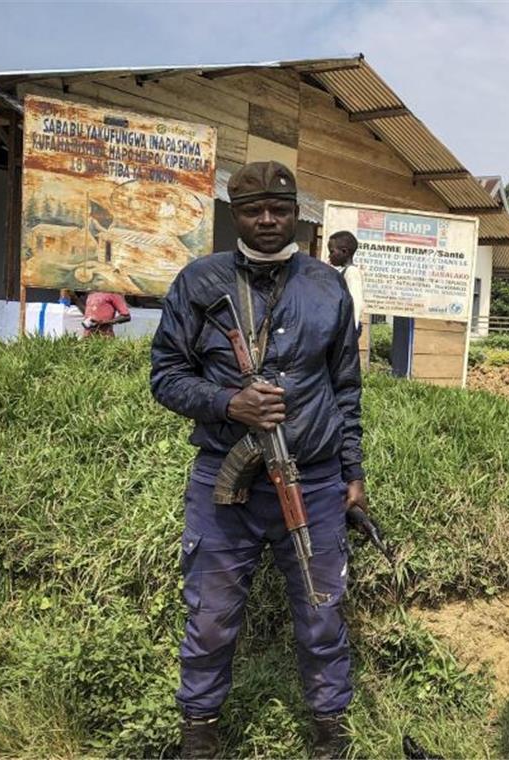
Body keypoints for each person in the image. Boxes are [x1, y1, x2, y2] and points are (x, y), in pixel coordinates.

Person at [150, 161, 367, 759]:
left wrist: (354, 474)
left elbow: (345, 388)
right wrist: (228, 403)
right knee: (212, 615)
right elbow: (165, 377)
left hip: (316, 481)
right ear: (234, 215)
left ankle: (330, 730)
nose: (268, 220)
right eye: (252, 210)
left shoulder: (328, 286)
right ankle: (199, 730)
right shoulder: (199, 282)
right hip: (227, 481)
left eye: (280, 208)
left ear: (298, 212)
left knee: (323, 612)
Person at [327, 231, 364, 336]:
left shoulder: (352, 272)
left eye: (332, 252)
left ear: (344, 251)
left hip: (347, 331)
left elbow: (355, 304)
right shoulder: (342, 272)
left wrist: (351, 332)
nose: (330, 256)